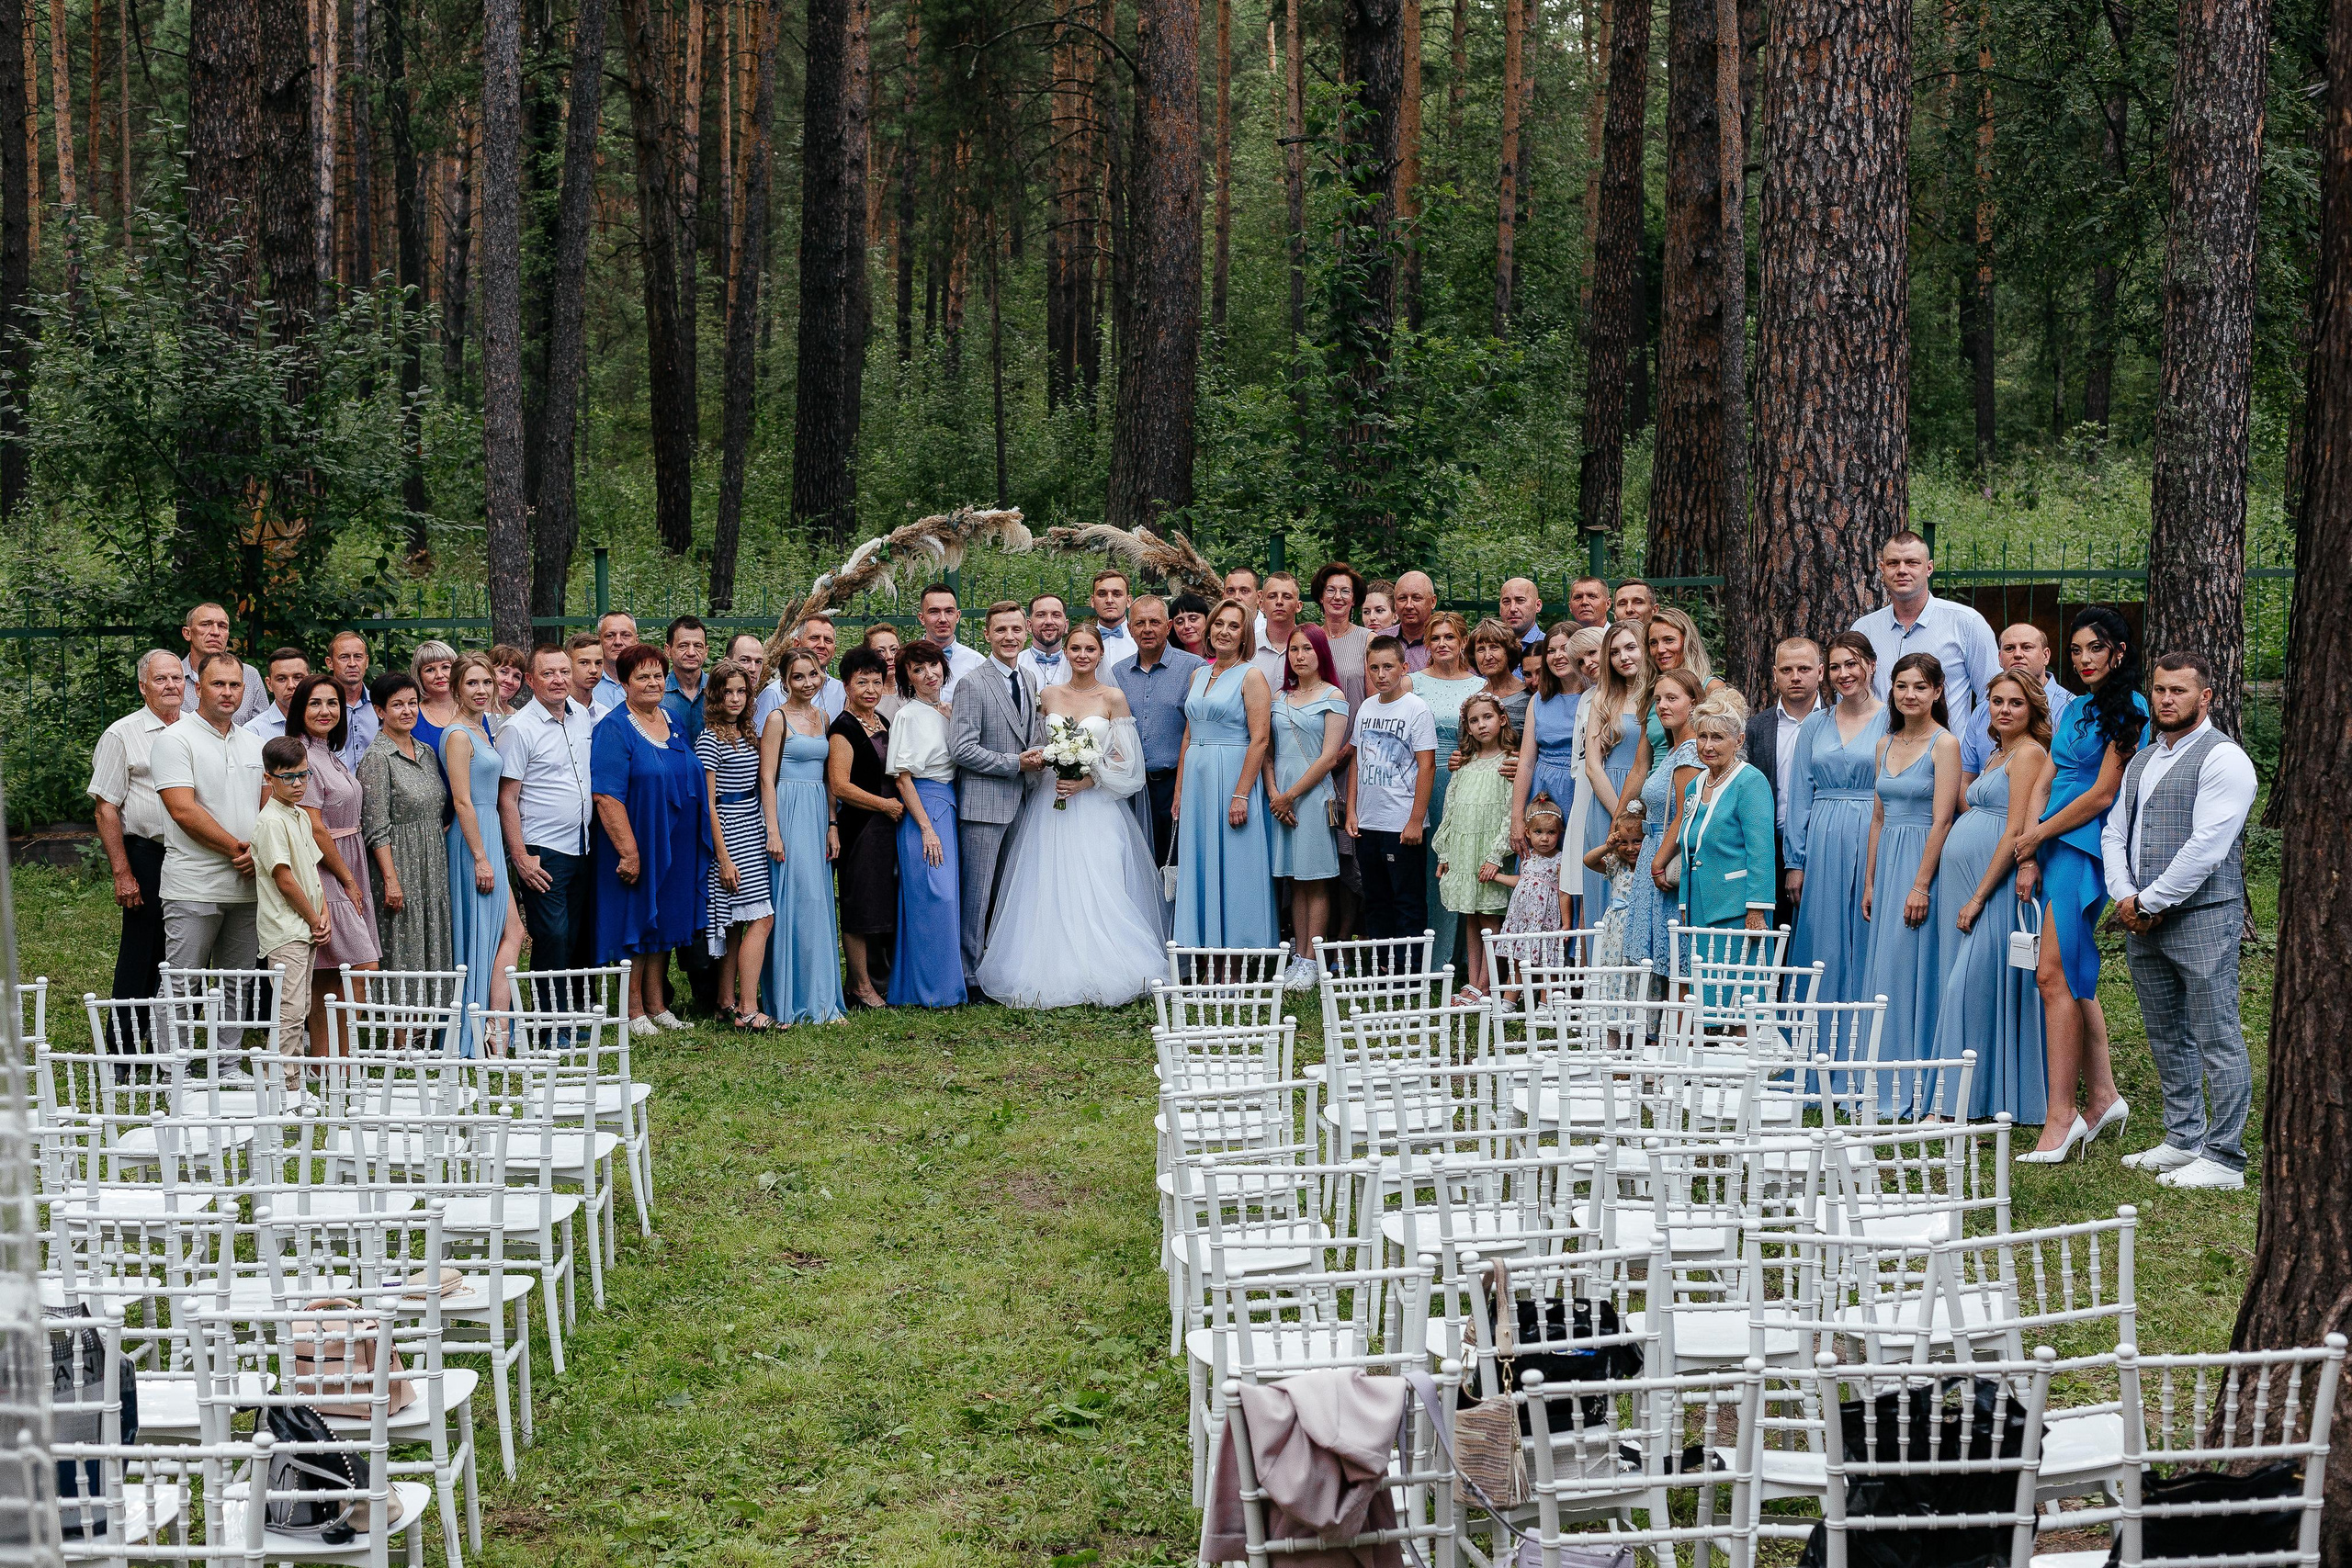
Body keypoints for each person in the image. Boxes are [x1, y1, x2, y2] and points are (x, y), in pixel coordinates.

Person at [2103, 652, 2256, 1190]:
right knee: (2165, 1031)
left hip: (2203, 916)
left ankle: (2226, 1156)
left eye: (2180, 691)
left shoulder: (2224, 759)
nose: (2167, 699)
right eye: (2161, 690)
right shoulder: (2143, 760)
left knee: (2217, 1034)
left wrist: (2151, 902)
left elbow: (2207, 847)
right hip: (2141, 913)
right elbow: (2115, 833)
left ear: (2205, 697)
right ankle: (2183, 1137)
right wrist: (2125, 895)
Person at [2012, 606, 2145, 1161]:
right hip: (2051, 843)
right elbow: (2048, 775)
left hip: (2082, 843)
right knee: (2069, 972)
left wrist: (2040, 833)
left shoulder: (2131, 707)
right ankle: (2105, 1096)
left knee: (2051, 974)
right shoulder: (2076, 709)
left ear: (2118, 652)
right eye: (2076, 651)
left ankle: (2062, 1114)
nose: (2085, 659)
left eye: (2096, 649)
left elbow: (2101, 793)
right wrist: (2028, 843)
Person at [977, 622, 1165, 1008]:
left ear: (1100, 655)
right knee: (1049, 879)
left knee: (1100, 880)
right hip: (1051, 802)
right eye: (1075, 649)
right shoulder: (1046, 694)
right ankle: (1050, 966)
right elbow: (1033, 743)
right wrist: (1050, 761)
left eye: (1089, 650)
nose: (1082, 655)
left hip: (1095, 806)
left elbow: (1128, 764)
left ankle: (1111, 964)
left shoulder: (1113, 698)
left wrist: (1089, 779)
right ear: (1066, 652)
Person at [1928, 671, 2052, 1123]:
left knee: (1970, 987)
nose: (2004, 709)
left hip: (1993, 888)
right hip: (1965, 880)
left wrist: (1979, 897)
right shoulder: (1999, 753)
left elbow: (2016, 830)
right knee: (1977, 990)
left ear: (2032, 709)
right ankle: (1979, 1096)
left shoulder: (2029, 755)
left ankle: (1953, 1104)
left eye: (2015, 703)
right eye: (1997, 701)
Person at [591, 644, 712, 1033]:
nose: (653, 682)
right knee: (638, 924)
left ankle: (658, 1006)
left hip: (675, 840)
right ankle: (632, 1011)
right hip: (638, 840)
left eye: (658, 675)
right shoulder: (614, 728)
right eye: (642, 676)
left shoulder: (673, 720)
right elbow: (606, 796)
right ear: (624, 683)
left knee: (664, 923)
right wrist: (629, 852)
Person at [1859, 653, 1963, 1086]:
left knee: (1913, 962)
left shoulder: (1945, 744)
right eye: (1902, 686)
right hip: (1888, 863)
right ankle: (1879, 1072)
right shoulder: (1884, 743)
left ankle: (1915, 1076)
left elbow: (1943, 819)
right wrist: (1870, 881)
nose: (1910, 695)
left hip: (1925, 859)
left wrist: (1921, 885)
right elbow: (1878, 817)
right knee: (1885, 963)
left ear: (1937, 691)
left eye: (1920, 686)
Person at [1785, 633, 1891, 1007]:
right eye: (1835, 667)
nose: (1844, 674)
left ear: (1871, 666)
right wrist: (1795, 862)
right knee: (1822, 936)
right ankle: (1812, 1039)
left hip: (1873, 830)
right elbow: (1800, 794)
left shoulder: (1892, 720)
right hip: (1823, 840)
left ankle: (1863, 1037)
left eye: (1852, 664)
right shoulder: (1815, 725)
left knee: (1867, 928)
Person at [152, 651, 267, 989]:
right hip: (194, 885)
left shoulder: (256, 744)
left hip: (247, 886)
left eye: (234, 685)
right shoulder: (174, 739)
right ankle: (174, 1046)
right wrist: (240, 850)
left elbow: (268, 811)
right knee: (181, 984)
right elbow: (182, 810)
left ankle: (227, 1047)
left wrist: (258, 851)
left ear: (245, 690)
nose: (227, 692)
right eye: (218, 684)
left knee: (238, 984)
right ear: (198, 689)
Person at [948, 602, 1047, 993]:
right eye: (1000, 631)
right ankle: (968, 974)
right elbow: (961, 748)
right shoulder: (973, 683)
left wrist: (1041, 754)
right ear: (987, 635)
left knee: (1008, 892)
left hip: (1022, 802)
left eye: (1015, 630)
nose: (1009, 638)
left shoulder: (1028, 679)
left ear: (1026, 632)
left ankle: (996, 966)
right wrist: (1014, 763)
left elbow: (1031, 734)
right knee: (977, 894)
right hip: (984, 805)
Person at [497, 645, 600, 1010]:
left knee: (575, 935)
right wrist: (521, 857)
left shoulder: (582, 718)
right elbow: (507, 798)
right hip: (543, 850)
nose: (558, 680)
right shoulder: (518, 729)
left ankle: (573, 1014)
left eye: (563, 672)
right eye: (548, 673)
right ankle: (549, 1022)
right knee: (552, 936)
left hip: (584, 845)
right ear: (530, 680)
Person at [90, 651, 185, 1040]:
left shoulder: (195, 730)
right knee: (142, 948)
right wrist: (122, 872)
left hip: (193, 856)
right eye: (160, 679)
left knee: (180, 951)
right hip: (147, 854)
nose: (171, 686)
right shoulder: (122, 734)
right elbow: (105, 808)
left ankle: (165, 1038)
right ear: (143, 686)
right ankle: (123, 1045)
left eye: (177, 678)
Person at [1175, 599, 1280, 950]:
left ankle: (1236, 953)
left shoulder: (1251, 675)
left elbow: (1261, 737)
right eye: (1219, 624)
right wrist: (1179, 793)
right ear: (1209, 628)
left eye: (1233, 626)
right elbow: (1188, 734)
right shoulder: (1198, 674)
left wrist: (1240, 794)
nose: (1224, 631)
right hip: (1197, 781)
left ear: (1244, 634)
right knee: (1200, 862)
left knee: (1236, 863)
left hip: (1233, 775)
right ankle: (1204, 949)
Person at [287, 673, 379, 1052]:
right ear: (300, 709)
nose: (325, 711)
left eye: (333, 704)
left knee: (328, 973)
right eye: (315, 703)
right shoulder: (300, 754)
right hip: (326, 866)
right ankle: (340, 1054)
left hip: (350, 858)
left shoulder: (329, 752)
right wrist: (347, 879)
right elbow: (312, 823)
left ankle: (329, 1063)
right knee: (361, 965)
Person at [439, 653, 525, 1054]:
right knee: (491, 933)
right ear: (456, 687)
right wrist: (481, 857)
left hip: (489, 831)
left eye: (486, 683)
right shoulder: (458, 734)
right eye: (472, 683)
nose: (481, 690)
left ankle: (496, 1027)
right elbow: (461, 800)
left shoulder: (483, 728)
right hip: (473, 836)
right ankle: (485, 1031)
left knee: (510, 932)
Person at [759, 649, 847, 1025]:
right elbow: (766, 777)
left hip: (816, 812)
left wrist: (832, 824)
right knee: (796, 900)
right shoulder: (777, 719)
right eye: (798, 677)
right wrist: (773, 830)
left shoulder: (823, 716)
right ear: (785, 681)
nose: (808, 683)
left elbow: (829, 777)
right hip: (788, 812)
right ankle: (790, 998)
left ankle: (823, 998)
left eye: (813, 674)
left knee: (819, 903)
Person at [1852, 529, 2001, 746]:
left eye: (1912, 562)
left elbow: (1991, 698)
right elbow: (1851, 700)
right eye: (1893, 563)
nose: (1902, 570)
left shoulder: (1966, 624)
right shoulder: (1864, 630)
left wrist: (1972, 762)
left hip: (1944, 765)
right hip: (1878, 762)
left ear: (1929, 568)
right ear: (1882, 569)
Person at [884, 640, 967, 1008]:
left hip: (948, 804)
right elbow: (902, 778)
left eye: (932, 666)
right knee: (934, 896)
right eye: (917, 670)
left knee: (947, 897)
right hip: (924, 809)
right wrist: (926, 829)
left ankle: (942, 986)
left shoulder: (947, 711)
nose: (928, 674)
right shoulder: (907, 716)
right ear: (908, 679)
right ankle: (932, 991)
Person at [1265, 626, 1350, 988]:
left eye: (1307, 650)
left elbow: (1330, 757)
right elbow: (1267, 752)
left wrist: (1292, 795)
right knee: (1295, 881)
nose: (1299, 656)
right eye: (1294, 650)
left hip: (1312, 798)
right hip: (1280, 800)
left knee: (1315, 880)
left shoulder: (1334, 696)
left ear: (1321, 655)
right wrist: (1274, 795)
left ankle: (1314, 962)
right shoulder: (1279, 696)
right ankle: (1298, 957)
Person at [356, 672, 454, 977]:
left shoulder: (426, 751)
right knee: (403, 946)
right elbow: (375, 826)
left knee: (431, 942)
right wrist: (391, 880)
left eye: (412, 703)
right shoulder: (377, 758)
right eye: (397, 704)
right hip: (399, 864)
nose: (407, 711)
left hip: (432, 864)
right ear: (380, 711)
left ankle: (431, 1020)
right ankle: (402, 1025)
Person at [1676, 690, 1778, 980]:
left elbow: (1761, 851)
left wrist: (1757, 909)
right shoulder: (1696, 784)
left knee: (1740, 992)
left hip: (1738, 908)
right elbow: (1689, 848)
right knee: (1707, 990)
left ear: (1739, 740)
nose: (1707, 745)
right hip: (1699, 904)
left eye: (1717, 737)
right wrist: (1685, 902)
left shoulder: (1750, 782)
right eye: (1702, 736)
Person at [697, 660, 777, 1030]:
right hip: (729, 834)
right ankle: (749, 1006)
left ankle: (725, 1002)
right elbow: (708, 803)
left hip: (751, 826)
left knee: (734, 924)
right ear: (714, 695)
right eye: (727, 692)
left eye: (741, 691)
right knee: (762, 918)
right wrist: (723, 858)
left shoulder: (746, 732)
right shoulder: (710, 738)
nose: (735, 698)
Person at [251, 737, 330, 1083]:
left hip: (305, 927)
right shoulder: (270, 822)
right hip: (285, 929)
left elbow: (311, 870)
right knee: (289, 1009)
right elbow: (284, 879)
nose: (298, 784)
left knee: (300, 1006)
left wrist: (324, 913)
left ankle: (291, 1078)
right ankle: (281, 1083)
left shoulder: (297, 815)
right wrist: (314, 919)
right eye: (288, 777)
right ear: (269, 778)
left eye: (303, 775)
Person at [1346, 637, 1436, 941]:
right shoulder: (1366, 708)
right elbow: (1357, 761)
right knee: (1375, 898)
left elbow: (1427, 766)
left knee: (1406, 899)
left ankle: (1408, 972)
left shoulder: (1416, 709)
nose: (1381, 674)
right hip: (1368, 821)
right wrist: (1351, 810)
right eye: (1374, 668)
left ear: (1404, 667)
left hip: (1401, 822)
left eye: (1388, 667)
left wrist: (1415, 819)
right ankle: (1382, 967)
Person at [827, 646, 900, 1010]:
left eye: (876, 681)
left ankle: (878, 979)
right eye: (861, 682)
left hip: (887, 826)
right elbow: (840, 786)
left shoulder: (882, 722)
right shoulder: (843, 728)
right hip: (862, 827)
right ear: (846, 684)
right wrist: (884, 804)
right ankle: (859, 986)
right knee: (858, 906)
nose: (870, 689)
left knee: (880, 904)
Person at [1433, 693, 1517, 1000]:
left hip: (1489, 851)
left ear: (1502, 719)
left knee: (1489, 917)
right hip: (1463, 849)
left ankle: (1486, 984)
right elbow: (1451, 809)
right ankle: (1472, 980)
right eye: (1474, 720)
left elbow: (1511, 813)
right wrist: (1445, 852)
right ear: (1467, 728)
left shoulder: (1509, 763)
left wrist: (1496, 855)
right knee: (1470, 913)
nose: (1482, 725)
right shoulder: (1464, 764)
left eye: (1488, 717)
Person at [1413, 613, 1483, 967]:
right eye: (1436, 638)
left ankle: (1453, 955)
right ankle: (1423, 952)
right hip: (1419, 779)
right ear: (1427, 644)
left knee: (1456, 861)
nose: (1443, 644)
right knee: (1424, 865)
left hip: (1464, 779)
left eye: (1450, 638)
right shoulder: (1412, 683)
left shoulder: (1478, 686)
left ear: (1462, 643)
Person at [1626, 669, 1702, 982]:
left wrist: (1658, 861)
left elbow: (1686, 811)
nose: (1662, 706)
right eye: (1658, 699)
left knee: (1672, 952)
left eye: (1672, 698)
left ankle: (1672, 1026)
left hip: (1667, 854)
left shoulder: (1691, 751)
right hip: (1652, 848)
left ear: (1694, 704)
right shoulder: (1673, 749)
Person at [1746, 637, 1826, 931]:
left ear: (1820, 671)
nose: (1795, 677)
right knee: (1773, 933)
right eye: (1787, 669)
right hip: (1769, 847)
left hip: (1823, 842)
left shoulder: (1837, 722)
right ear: (1775, 673)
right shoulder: (1756, 727)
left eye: (1804, 668)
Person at [1578, 622, 1650, 927]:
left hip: (1647, 798)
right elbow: (1593, 767)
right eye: (1614, 652)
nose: (1623, 657)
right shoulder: (1602, 699)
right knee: (1606, 889)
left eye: (1630, 647)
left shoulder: (1658, 695)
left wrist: (1637, 813)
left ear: (1645, 648)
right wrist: (1620, 816)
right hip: (1606, 800)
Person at [1961, 623, 2073, 778]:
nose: (2018, 654)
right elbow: (1965, 779)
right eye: (2009, 648)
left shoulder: (2070, 708)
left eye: (2027, 647)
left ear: (2045, 656)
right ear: (2000, 658)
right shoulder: (1982, 712)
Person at [1511, 627, 1584, 860]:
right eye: (1551, 650)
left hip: (1580, 787)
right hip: (1543, 789)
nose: (1558, 656)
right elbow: (1526, 763)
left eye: (1565, 648)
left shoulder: (1596, 696)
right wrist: (1517, 816)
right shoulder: (1538, 700)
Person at [1497, 795, 1576, 976]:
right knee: (1517, 962)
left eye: (1551, 833)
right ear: (1527, 832)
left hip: (1545, 920)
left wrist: (1566, 922)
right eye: (1538, 832)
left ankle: (1546, 1001)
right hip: (1523, 919)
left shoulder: (1560, 860)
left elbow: (1564, 893)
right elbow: (1522, 881)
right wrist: (1497, 877)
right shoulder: (1527, 857)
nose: (1544, 839)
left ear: (1560, 832)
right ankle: (1509, 1001)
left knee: (1547, 963)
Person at [1643, 608, 1724, 750]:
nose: (1660, 649)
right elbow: (1640, 766)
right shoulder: (1654, 693)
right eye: (1653, 643)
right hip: (1656, 772)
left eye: (1669, 640)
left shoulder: (1712, 688)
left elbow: (1724, 748)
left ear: (1687, 642)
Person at [1581, 803, 1645, 979]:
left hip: (1640, 924)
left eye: (1637, 841)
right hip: (1616, 925)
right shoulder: (1617, 864)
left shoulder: (1649, 865)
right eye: (1623, 842)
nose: (1630, 848)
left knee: (1637, 968)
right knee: (1614, 967)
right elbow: (1589, 861)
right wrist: (1607, 848)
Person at [179, 603, 266, 725]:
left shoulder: (249, 675)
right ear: (187, 633)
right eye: (205, 625)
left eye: (222, 626)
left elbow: (262, 727)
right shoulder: (172, 679)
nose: (215, 632)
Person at [1311, 561, 1370, 710]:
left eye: (1345, 591)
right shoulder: (1309, 639)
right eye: (1330, 590)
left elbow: (1375, 699)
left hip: (1356, 731)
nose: (1338, 597)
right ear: (1320, 597)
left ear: (1354, 599)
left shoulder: (1367, 640)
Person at [917, 582, 989, 703]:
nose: (943, 619)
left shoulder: (977, 664)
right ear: (922, 618)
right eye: (934, 612)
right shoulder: (907, 661)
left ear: (958, 616)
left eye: (949, 611)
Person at [327, 632, 379, 769]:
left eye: (358, 657)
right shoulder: (322, 710)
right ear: (330, 663)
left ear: (367, 661)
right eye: (344, 657)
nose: (352, 664)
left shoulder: (380, 706)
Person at [1467, 618, 1531, 731]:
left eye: (1494, 647)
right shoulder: (1473, 703)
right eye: (1481, 649)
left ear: (1509, 652)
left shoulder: (1529, 698)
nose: (1487, 656)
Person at [660, 616, 711, 744]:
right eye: (683, 645)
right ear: (668, 650)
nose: (691, 652)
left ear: (706, 651)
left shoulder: (719, 690)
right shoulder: (657, 693)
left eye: (698, 646)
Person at [1249, 573, 1305, 690]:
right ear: (1261, 605)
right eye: (1272, 596)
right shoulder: (1247, 647)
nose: (1279, 602)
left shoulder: (1311, 647)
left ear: (1298, 606)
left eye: (1287, 596)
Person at [241, 648, 311, 739]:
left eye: (298, 678)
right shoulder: (253, 732)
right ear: (269, 684)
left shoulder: (326, 723)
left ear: (310, 680)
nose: (291, 685)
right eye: (282, 679)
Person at [1016, 594, 1074, 689]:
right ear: (1029, 625)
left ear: (1066, 626)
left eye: (1056, 615)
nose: (1049, 621)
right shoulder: (1016, 663)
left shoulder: (1078, 664)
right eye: (1041, 615)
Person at [411, 640, 459, 751]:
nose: (439, 675)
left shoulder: (473, 710)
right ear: (419, 676)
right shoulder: (411, 715)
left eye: (446, 667)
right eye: (430, 670)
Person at [1090, 570, 1140, 669]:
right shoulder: (1083, 642)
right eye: (1102, 594)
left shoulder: (1141, 640)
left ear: (1129, 601)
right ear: (1092, 601)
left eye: (1117, 594)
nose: (1109, 600)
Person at [859, 623, 907, 721]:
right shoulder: (864, 694)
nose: (889, 656)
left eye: (894, 649)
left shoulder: (912, 689)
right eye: (880, 651)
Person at [592, 611, 638, 712]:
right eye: (610, 635)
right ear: (599, 641)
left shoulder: (651, 683)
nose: (618, 642)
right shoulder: (586, 683)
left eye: (625, 635)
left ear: (636, 641)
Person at [1393, 571, 1436, 671]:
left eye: (1416, 598)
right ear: (1395, 603)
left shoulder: (1446, 645)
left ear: (1433, 601)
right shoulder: (1382, 639)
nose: (1408, 605)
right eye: (1402, 598)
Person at [1498, 579, 1546, 653]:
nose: (1512, 609)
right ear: (1500, 608)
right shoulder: (1490, 650)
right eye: (1506, 602)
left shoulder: (1549, 648)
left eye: (1520, 600)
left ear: (1538, 605)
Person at [488, 645, 529, 730]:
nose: (509, 681)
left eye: (516, 676)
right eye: (504, 672)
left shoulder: (522, 720)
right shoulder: (464, 713)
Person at [566, 631, 607, 715]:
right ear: (568, 664)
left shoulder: (605, 715)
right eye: (584, 663)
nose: (593, 670)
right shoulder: (556, 713)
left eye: (598, 663)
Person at [1170, 592, 1214, 658]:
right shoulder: (1169, 661)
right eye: (1180, 622)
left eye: (1193, 619)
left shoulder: (1222, 658)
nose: (1187, 626)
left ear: (1207, 620)